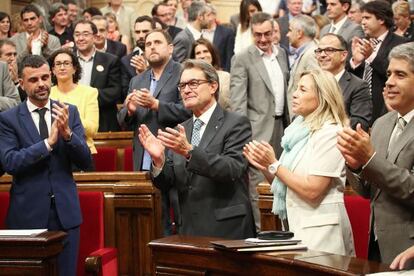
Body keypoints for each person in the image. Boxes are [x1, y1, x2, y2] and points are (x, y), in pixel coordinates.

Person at [139, 59, 255, 239]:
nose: (186, 90)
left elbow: (233, 168)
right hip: (188, 229)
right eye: (182, 85)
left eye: (193, 83)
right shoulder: (180, 129)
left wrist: (189, 152)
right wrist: (159, 160)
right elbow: (167, 183)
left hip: (227, 229)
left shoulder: (236, 123)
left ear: (213, 86)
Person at [244, 68, 355, 256]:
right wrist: (265, 166)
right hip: (296, 229)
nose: (294, 94)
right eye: (296, 88)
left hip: (323, 234)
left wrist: (274, 164)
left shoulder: (330, 132)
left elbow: (313, 190)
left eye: (303, 90)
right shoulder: (297, 132)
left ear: (322, 96)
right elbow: (285, 185)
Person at [0, 54, 92, 276]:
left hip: (65, 215)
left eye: (44, 77)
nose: (41, 84)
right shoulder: (8, 119)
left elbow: (86, 162)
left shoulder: (68, 111)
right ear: (21, 83)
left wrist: (68, 135)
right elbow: (10, 162)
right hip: (27, 216)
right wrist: (48, 144)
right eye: (33, 80)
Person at [338, 42, 414, 269]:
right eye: (389, 73)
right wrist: (356, 166)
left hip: (408, 246)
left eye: (400, 75)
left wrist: (370, 159)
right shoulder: (381, 123)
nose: (389, 82)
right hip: (375, 244)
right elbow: (368, 192)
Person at [118, 29, 191, 234]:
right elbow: (123, 120)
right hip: (144, 158)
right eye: (148, 44)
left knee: (179, 218)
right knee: (154, 222)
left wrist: (157, 104)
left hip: (173, 154)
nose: (151, 47)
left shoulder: (183, 73)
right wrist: (129, 111)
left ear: (170, 48)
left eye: (157, 42)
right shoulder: (137, 80)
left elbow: (189, 111)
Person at [231, 12, 290, 231]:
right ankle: (263, 234)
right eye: (258, 35)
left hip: (283, 129)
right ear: (251, 33)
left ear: (274, 31)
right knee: (260, 189)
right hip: (257, 133)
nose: (263, 39)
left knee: (283, 182)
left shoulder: (282, 53)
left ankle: (285, 232)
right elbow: (238, 104)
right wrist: (246, 140)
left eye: (267, 34)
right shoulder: (242, 58)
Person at [348, 0, 407, 123]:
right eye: (362, 18)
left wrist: (371, 57)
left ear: (381, 19)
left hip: (384, 109)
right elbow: (350, 78)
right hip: (358, 109)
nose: (362, 22)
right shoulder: (359, 43)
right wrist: (356, 62)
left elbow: (397, 74)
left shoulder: (401, 44)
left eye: (367, 18)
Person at [49, 48, 99, 168]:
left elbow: (92, 130)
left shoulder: (89, 92)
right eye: (58, 64)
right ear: (53, 70)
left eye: (66, 63)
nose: (62, 67)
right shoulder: (47, 94)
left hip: (82, 151)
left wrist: (68, 118)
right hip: (53, 153)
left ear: (75, 68)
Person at [73, 19, 121, 132]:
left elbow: (115, 91)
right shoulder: (67, 60)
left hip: (103, 121)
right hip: (72, 120)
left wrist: (87, 96)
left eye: (85, 34)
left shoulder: (110, 60)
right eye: (77, 34)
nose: (80, 38)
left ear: (94, 37)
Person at [316, 33, 372, 130]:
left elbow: (360, 123)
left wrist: (325, 127)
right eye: (319, 51)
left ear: (343, 55)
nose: (322, 55)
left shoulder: (358, 86)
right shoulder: (312, 82)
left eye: (329, 50)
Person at [286, 14, 319, 118]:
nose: (287, 34)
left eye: (290, 30)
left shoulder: (312, 54)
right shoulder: (306, 52)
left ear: (299, 33)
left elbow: (316, 90)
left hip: (306, 118)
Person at [120, 16, 155, 100]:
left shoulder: (164, 57)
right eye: (137, 32)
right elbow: (125, 93)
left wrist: (145, 72)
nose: (141, 35)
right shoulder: (127, 61)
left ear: (154, 31)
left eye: (145, 31)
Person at [191, 38, 230, 110]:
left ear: (212, 54)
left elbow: (227, 103)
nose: (202, 56)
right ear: (194, 58)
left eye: (205, 51)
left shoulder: (225, 77)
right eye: (198, 53)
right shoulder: (191, 80)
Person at [204, 4, 235, 73]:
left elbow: (229, 57)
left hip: (221, 72)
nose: (204, 17)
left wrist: (226, 73)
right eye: (202, 15)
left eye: (208, 14)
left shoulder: (227, 33)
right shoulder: (199, 32)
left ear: (214, 15)